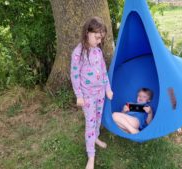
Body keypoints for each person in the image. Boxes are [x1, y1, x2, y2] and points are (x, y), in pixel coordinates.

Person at [70, 16, 113, 169]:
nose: (99, 41)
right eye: (97, 37)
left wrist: (107, 89)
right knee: (90, 123)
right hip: (87, 97)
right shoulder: (78, 53)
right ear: (87, 32)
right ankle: (91, 156)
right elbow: (74, 75)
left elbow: (103, 71)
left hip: (100, 93)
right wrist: (79, 96)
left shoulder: (98, 51)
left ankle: (95, 138)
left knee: (98, 119)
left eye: (101, 38)